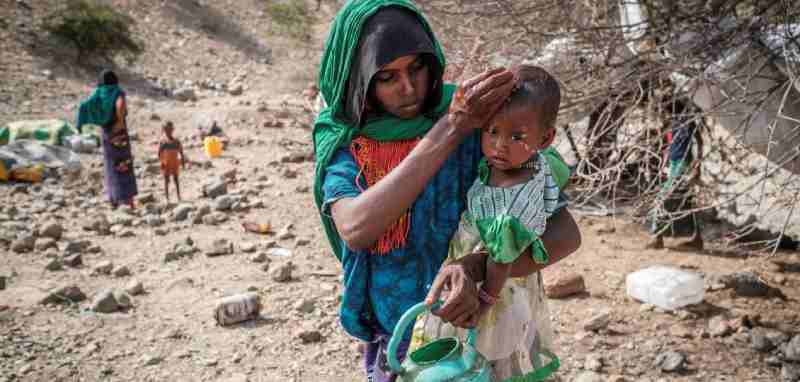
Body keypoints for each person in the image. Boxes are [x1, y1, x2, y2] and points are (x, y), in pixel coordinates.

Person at [313, 1, 581, 381]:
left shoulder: (485, 123)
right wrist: (451, 128)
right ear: (359, 79)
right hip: (402, 333)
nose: (408, 89)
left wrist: (481, 270)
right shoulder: (349, 140)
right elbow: (356, 228)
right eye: (387, 77)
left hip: (482, 333)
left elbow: (565, 234)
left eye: (417, 68)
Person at [408, 65, 571, 380]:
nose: (499, 146)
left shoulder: (511, 205)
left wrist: (484, 301)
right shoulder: (537, 165)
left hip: (495, 296)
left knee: (483, 361)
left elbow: (501, 258)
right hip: (497, 286)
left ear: (546, 137)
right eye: (492, 131)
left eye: (516, 136)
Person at [645, 100, 703, 250]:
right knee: (686, 200)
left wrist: (697, 165)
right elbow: (669, 146)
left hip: (683, 164)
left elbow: (699, 141)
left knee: (662, 199)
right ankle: (696, 238)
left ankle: (657, 238)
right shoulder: (671, 125)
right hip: (675, 164)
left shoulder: (686, 123)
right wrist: (664, 164)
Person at [77, 69, 138, 210]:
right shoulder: (116, 92)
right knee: (123, 164)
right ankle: (127, 200)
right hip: (119, 133)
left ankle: (114, 199)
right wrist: (121, 121)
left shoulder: (99, 93)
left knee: (110, 166)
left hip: (106, 133)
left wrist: (81, 123)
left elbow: (84, 105)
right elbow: (120, 104)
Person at [157, 121, 186, 202]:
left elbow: (181, 152)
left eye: (170, 129)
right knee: (166, 180)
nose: (168, 131)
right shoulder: (163, 142)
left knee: (176, 179)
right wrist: (161, 162)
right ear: (164, 130)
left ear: (172, 130)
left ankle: (178, 196)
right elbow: (159, 153)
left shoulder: (176, 141)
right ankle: (167, 198)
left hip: (175, 163)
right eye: (167, 129)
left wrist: (183, 163)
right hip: (166, 163)